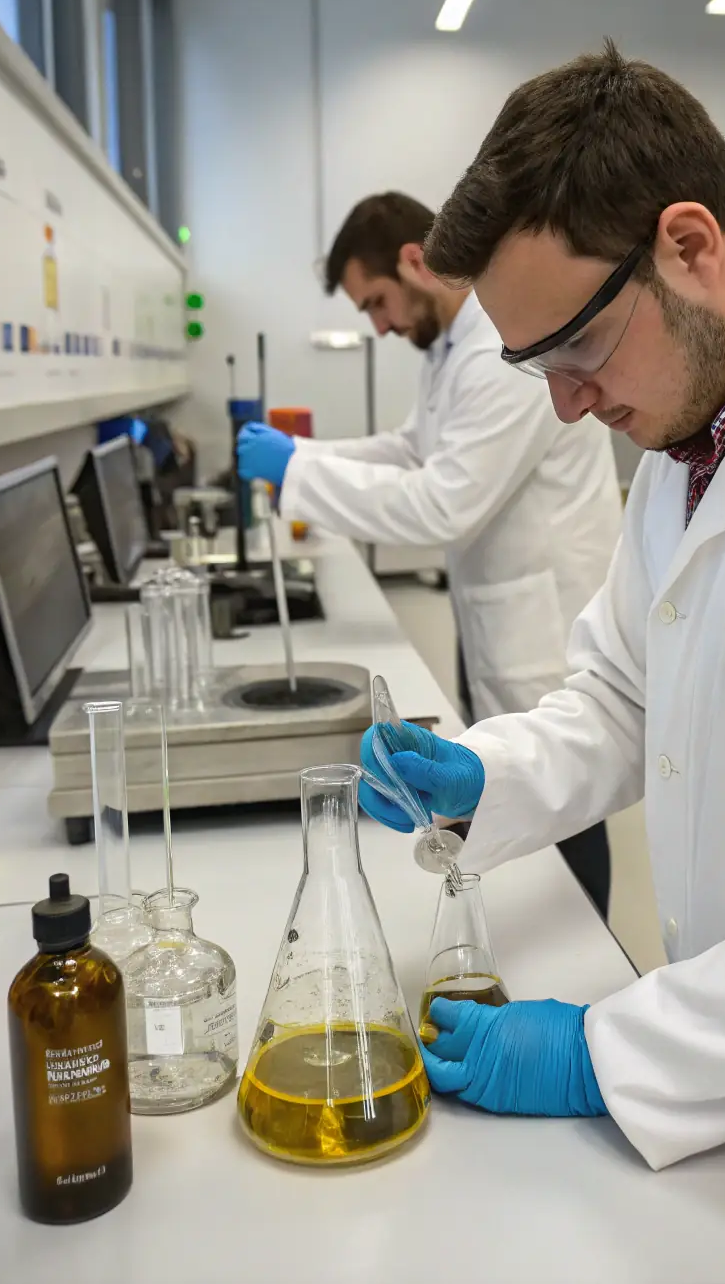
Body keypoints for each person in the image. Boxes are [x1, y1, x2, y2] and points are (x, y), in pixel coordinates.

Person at [357, 45, 725, 1284]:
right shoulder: (690, 444)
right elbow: (627, 695)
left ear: (687, 243)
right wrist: (487, 770)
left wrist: (608, 1049)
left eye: (575, 352)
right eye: (537, 372)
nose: (567, 409)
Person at [237, 191, 622, 915]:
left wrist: (299, 475)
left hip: (547, 622)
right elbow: (413, 448)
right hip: (498, 614)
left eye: (377, 301)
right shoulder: (450, 345)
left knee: (568, 803)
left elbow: (444, 502)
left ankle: (589, 945)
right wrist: (302, 456)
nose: (379, 324)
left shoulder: (498, 350)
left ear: (415, 261)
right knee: (521, 792)